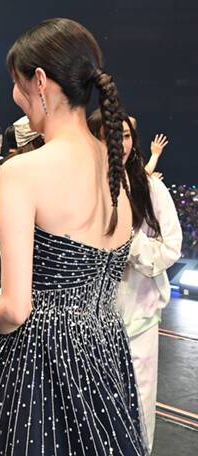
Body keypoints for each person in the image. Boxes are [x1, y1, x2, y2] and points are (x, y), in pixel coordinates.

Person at [0, 18, 148, 455]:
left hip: (40, 362)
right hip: (106, 348)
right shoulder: (117, 169)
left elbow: (16, 307)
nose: (15, 96)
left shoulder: (23, 171)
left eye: (16, 84)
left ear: (39, 81)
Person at [88, 109, 182, 452]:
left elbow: (171, 248)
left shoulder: (151, 189)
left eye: (125, 135)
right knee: (91, 407)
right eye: (109, 135)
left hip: (138, 318)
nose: (119, 143)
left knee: (137, 405)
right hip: (87, 320)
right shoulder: (82, 188)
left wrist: (128, 240)